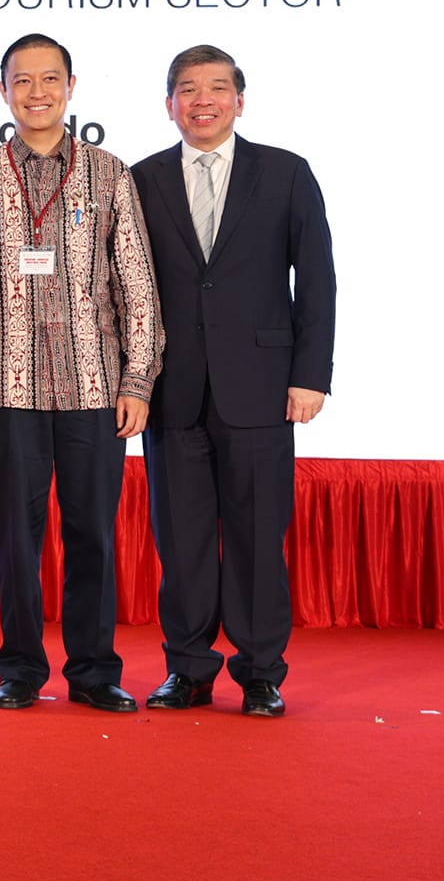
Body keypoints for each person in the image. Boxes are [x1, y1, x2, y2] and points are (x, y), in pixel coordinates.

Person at [0, 33, 162, 714]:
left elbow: (137, 286)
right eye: (22, 80)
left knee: (93, 533)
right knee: (17, 538)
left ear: (72, 86)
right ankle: (18, 669)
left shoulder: (110, 174)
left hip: (96, 389)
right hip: (6, 393)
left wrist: (137, 384)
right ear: (2, 90)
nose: (36, 92)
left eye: (50, 79)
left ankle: (95, 669)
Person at [131, 45, 334, 719]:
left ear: (240, 100)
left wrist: (311, 375)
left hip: (263, 385)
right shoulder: (142, 179)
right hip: (172, 390)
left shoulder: (285, 173)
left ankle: (258, 673)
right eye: (188, 89)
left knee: (255, 538)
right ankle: (187, 669)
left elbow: (319, 280)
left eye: (218, 87)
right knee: (181, 541)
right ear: (170, 105)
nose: (203, 100)